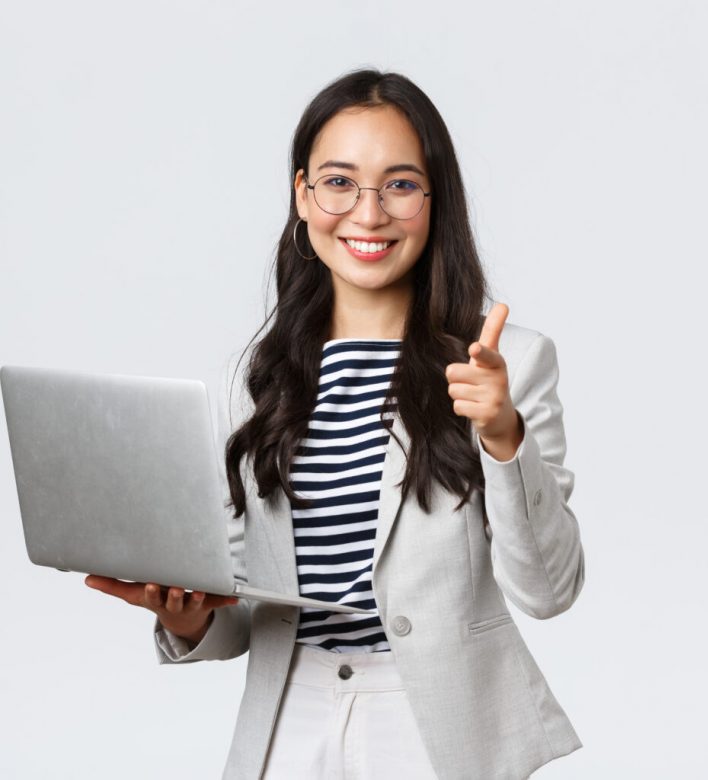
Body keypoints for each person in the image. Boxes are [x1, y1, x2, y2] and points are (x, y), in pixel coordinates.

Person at [86, 68, 585, 780]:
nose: (368, 213)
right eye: (340, 182)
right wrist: (185, 614)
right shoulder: (254, 380)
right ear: (303, 196)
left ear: (434, 202)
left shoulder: (507, 362)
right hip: (291, 717)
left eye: (401, 184)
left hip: (433, 724)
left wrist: (504, 437)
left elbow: (548, 590)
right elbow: (241, 610)